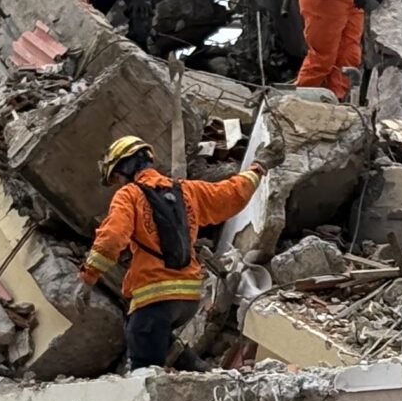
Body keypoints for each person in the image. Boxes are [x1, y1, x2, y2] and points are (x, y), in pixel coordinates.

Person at [82, 132, 283, 372]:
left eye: (116, 176)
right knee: (156, 336)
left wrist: (88, 277)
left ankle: (158, 387)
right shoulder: (186, 190)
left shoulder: (129, 195)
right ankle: (200, 371)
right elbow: (230, 195)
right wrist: (258, 167)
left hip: (154, 293)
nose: (118, 183)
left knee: (143, 359)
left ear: (125, 168)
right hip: (188, 297)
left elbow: (112, 237)